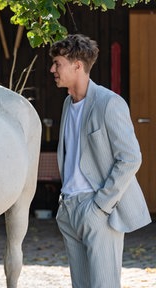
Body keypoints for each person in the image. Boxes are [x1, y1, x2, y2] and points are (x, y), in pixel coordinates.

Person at [49, 34, 151, 288]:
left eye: (57, 63)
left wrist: (101, 206)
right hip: (69, 208)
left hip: (97, 208)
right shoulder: (66, 104)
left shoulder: (109, 103)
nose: (52, 69)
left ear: (77, 66)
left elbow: (130, 158)